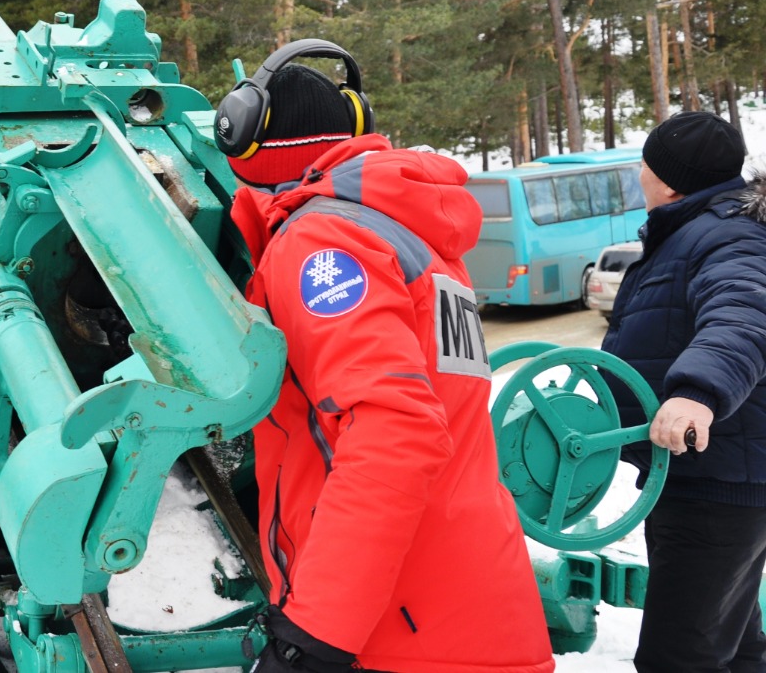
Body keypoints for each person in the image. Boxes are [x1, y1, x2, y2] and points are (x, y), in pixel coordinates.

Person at [214, 40, 554, 673]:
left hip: (397, 631)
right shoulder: (407, 232)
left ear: (242, 138)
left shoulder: (320, 245)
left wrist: (315, 633)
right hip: (465, 605)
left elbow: (394, 429)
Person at [600, 110, 766, 673]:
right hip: (708, 474)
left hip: (714, 484)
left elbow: (743, 317)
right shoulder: (698, 229)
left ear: (668, 181)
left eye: (643, 165)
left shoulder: (728, 238)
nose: (639, 175)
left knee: (681, 657)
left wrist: (698, 392)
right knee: (736, 646)